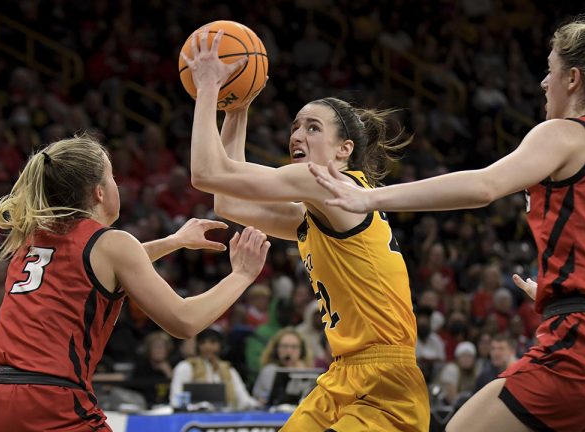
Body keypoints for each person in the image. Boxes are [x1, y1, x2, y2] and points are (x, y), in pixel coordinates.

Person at [310, 8, 585, 432]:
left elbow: (484, 186)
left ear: (573, 78)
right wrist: (557, 291)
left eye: (550, 71)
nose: (544, 83)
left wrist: (368, 198)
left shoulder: (566, 134)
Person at [183, 30, 429, 431]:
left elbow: (206, 173)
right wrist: (236, 108)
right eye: (295, 127)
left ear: (343, 150)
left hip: (387, 383)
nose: (297, 135)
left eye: (313, 128)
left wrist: (209, 85)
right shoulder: (317, 210)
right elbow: (226, 201)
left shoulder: (331, 185)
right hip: (342, 374)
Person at [0, 134, 271, 431]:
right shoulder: (112, 242)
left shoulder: (31, 240)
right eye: (112, 176)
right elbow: (184, 321)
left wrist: (173, 241)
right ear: (99, 192)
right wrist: (241, 275)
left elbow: (102, 269)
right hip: (44, 397)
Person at [169, 327, 258, 410]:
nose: (207, 347)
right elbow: (175, 400)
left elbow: (243, 398)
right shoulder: (186, 367)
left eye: (213, 342)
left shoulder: (229, 370)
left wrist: (257, 404)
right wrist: (199, 408)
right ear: (198, 346)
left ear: (220, 346)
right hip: (192, 418)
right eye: (203, 343)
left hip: (223, 419)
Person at [252, 327, 313, 405]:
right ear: (276, 349)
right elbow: (282, 398)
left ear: (302, 351)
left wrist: (303, 374)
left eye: (294, 347)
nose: (289, 351)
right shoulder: (269, 370)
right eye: (284, 346)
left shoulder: (307, 372)